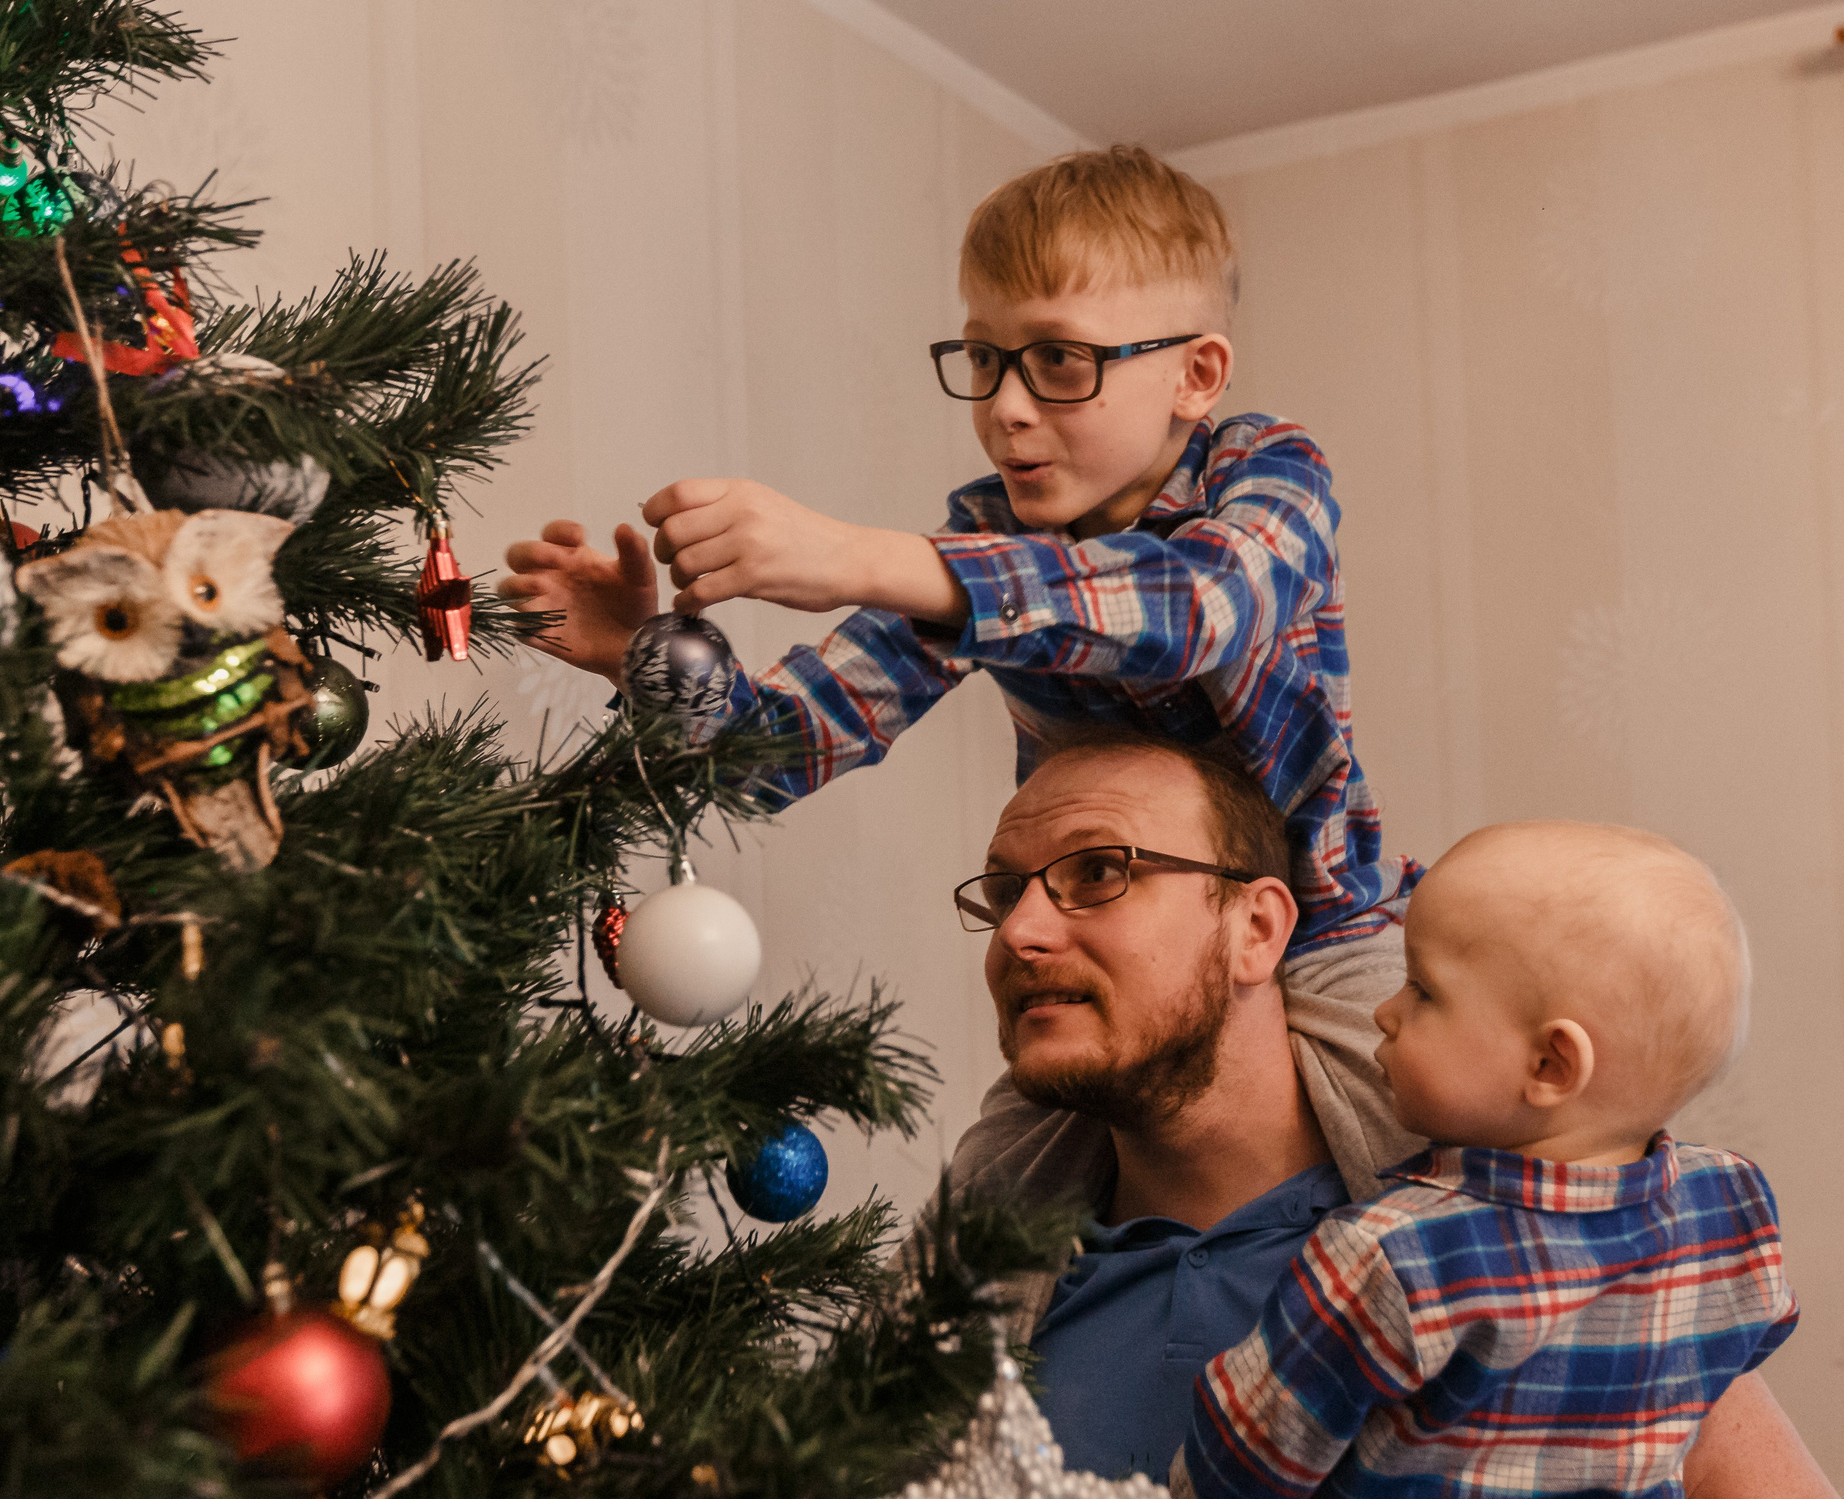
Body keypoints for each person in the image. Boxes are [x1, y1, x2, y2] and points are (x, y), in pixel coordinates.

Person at [499, 145, 1420, 1210]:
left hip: (1327, 925)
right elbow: (775, 754)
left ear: (1195, 376)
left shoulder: (1265, 469)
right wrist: (642, 654)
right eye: (984, 359)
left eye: (1060, 362)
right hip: (1108, 943)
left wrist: (855, 557)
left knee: (1452, 1148)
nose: (1007, 409)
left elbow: (1200, 609)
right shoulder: (979, 538)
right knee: (988, 1210)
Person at [947, 730, 1844, 1499]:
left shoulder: (1500, 1237)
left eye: (1098, 871)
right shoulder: (971, 1285)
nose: (1020, 931)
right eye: (1004, 890)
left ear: (1257, 927)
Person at [1156, 823, 1797, 1499]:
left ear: (1549, 1062)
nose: (1383, 1009)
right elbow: (1749, 1336)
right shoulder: (1730, 1208)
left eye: (1421, 990)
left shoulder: (1392, 1255)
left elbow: (1248, 1456)